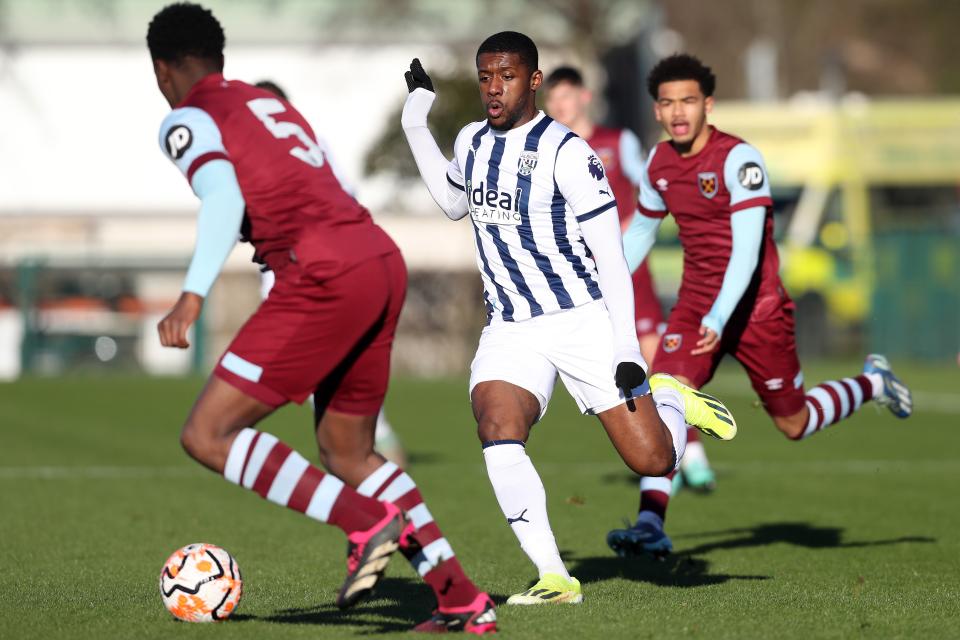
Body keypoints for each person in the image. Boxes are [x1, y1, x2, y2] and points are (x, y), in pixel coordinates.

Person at [147, 4, 493, 633]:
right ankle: (460, 599)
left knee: (207, 435)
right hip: (378, 259)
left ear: (162, 69)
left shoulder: (189, 117)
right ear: (220, 58)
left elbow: (223, 197)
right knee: (349, 451)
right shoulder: (268, 104)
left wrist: (192, 294)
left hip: (323, 274)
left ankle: (364, 521)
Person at [401, 32, 738, 606]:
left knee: (653, 459)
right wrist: (415, 124)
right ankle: (555, 577)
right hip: (510, 326)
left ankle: (672, 400)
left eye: (507, 76)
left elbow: (611, 259)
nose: (494, 88)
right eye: (485, 77)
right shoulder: (472, 141)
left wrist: (627, 348)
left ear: (533, 80)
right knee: (496, 425)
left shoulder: (568, 153)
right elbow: (454, 202)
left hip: (582, 320)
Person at [608, 53, 913, 558]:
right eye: (667, 103)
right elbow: (640, 232)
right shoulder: (658, 163)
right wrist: (597, 286)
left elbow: (747, 252)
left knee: (795, 423)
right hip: (695, 307)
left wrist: (721, 314)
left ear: (708, 104)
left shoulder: (739, 159)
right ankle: (650, 524)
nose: (678, 112)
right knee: (665, 393)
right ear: (656, 110)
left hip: (757, 310)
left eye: (688, 100)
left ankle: (873, 383)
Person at [545, 65, 717, 494]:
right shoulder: (549, 148)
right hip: (578, 277)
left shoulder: (617, 141)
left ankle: (690, 456)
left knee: (655, 361)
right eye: (552, 98)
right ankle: (659, 450)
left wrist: (629, 226)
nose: (558, 105)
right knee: (615, 371)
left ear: (584, 97)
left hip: (626, 269)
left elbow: (651, 188)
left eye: (565, 96)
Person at [254, 79, 409, 469]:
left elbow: (344, 197)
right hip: (293, 271)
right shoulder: (282, 147)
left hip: (316, 271)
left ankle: (373, 443)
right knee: (320, 369)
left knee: (300, 369)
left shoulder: (306, 144)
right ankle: (372, 445)